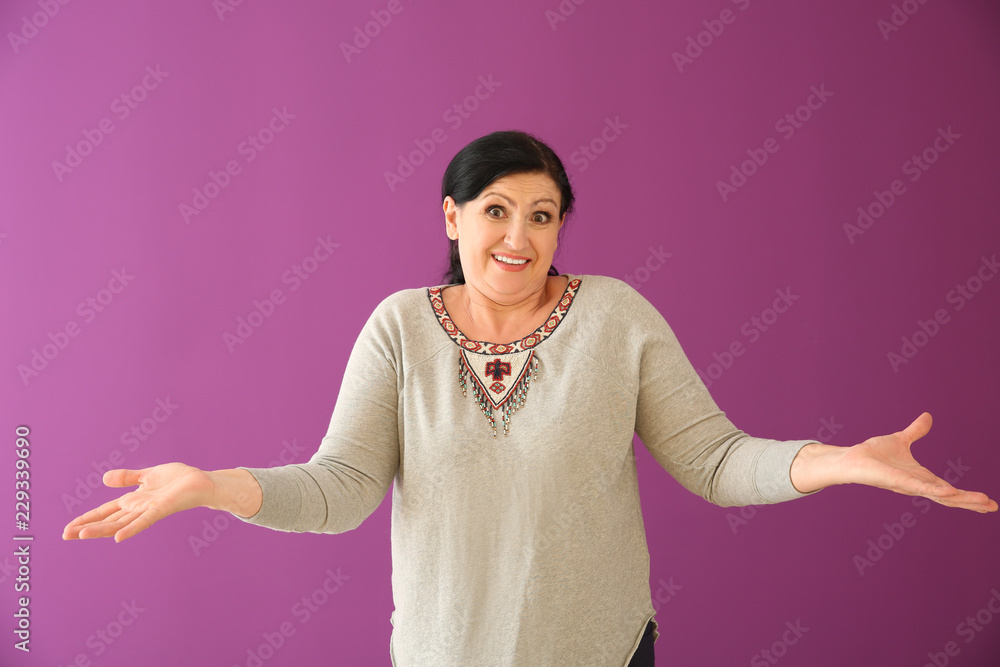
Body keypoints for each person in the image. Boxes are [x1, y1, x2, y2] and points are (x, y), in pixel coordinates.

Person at [63, 130, 997, 666]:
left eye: (542, 214)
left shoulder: (617, 316)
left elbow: (715, 461)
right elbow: (341, 485)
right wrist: (214, 484)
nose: (519, 235)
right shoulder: (398, 327)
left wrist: (839, 463)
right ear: (452, 217)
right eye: (497, 209)